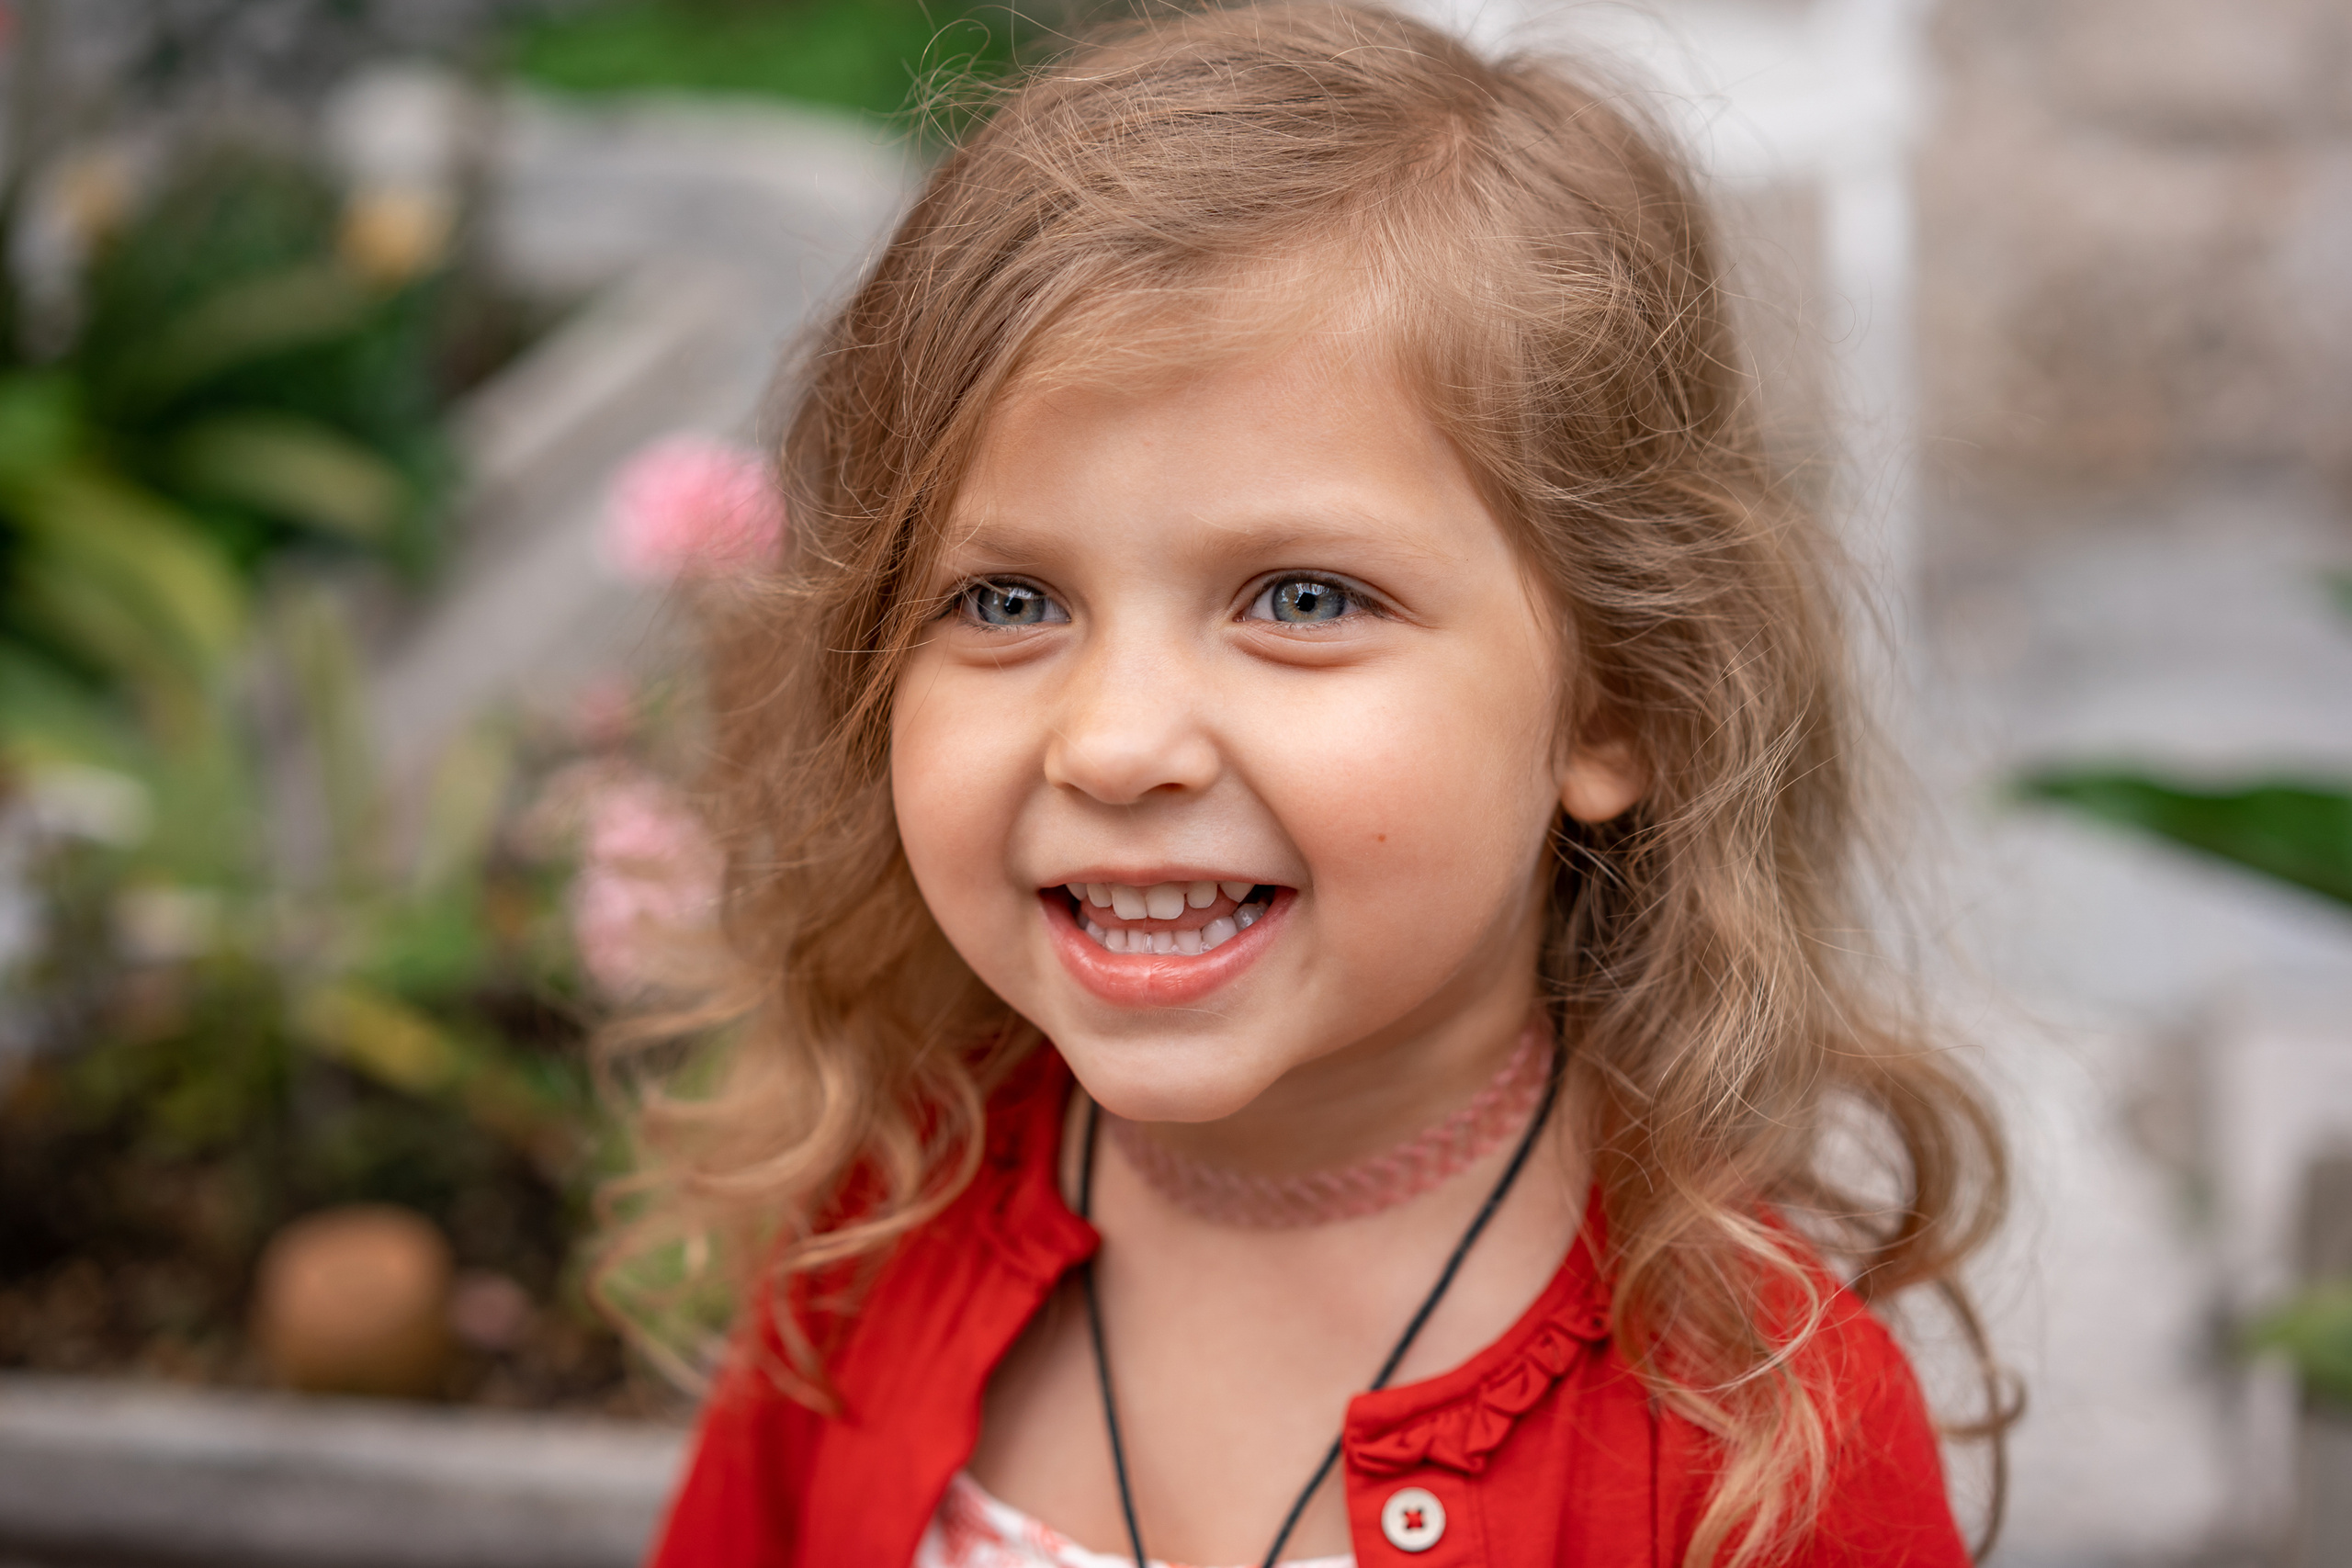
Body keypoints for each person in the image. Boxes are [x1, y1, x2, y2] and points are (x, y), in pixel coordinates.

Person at [619, 4, 2011, 1564]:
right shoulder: (875, 1240)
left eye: (1301, 600)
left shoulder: (1759, 1437)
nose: (1115, 743)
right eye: (1008, 602)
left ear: (1617, 697)